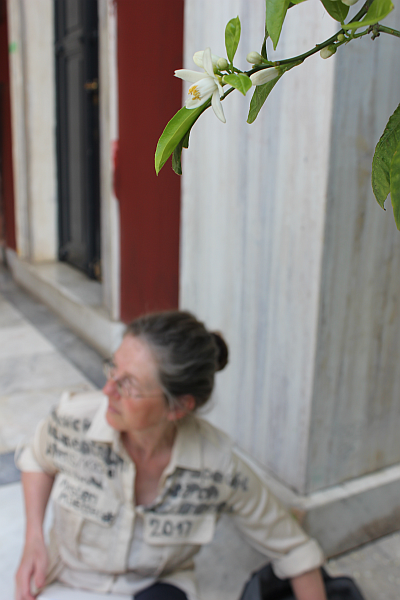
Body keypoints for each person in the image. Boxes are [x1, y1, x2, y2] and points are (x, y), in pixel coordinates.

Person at [15, 310, 328, 600]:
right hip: (69, 572)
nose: (108, 390)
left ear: (178, 407)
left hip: (154, 586)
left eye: (130, 385)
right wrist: (33, 538)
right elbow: (37, 460)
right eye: (113, 368)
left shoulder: (218, 468)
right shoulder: (74, 420)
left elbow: (294, 552)